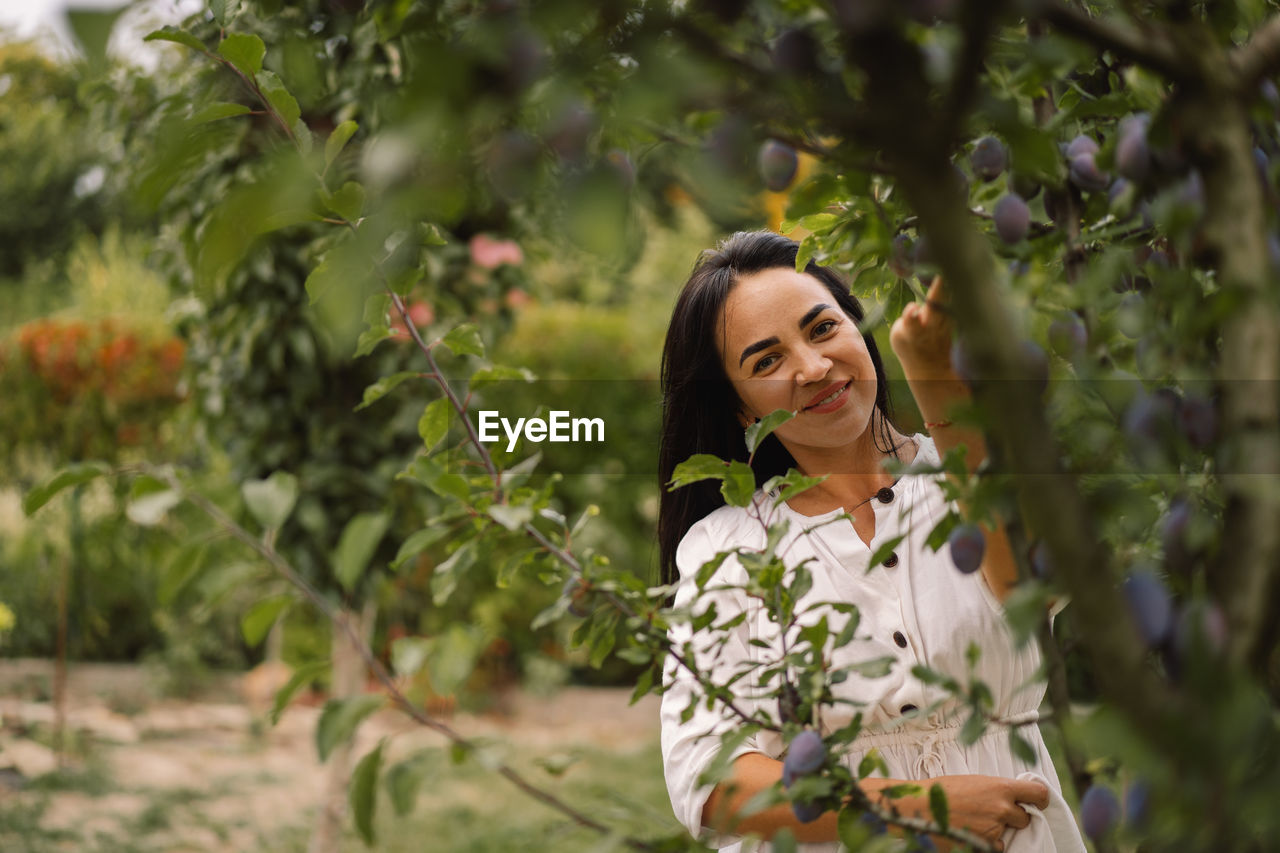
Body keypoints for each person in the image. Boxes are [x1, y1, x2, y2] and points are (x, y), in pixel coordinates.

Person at [657, 231, 1085, 853]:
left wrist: (936, 378)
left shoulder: (975, 475)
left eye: (823, 328)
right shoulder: (731, 548)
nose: (812, 367)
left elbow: (1031, 592)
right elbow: (712, 780)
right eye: (766, 361)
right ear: (742, 408)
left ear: (858, 327)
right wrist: (924, 807)